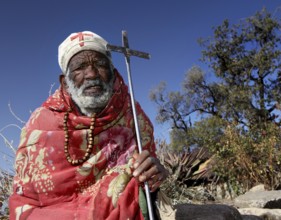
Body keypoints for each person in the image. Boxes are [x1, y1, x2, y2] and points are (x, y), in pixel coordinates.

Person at [9, 31, 168, 219]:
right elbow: (26, 199)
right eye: (80, 67)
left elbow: (149, 175)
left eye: (100, 65)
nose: (92, 74)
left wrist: (154, 172)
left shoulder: (132, 115)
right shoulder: (41, 124)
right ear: (65, 83)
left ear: (113, 74)